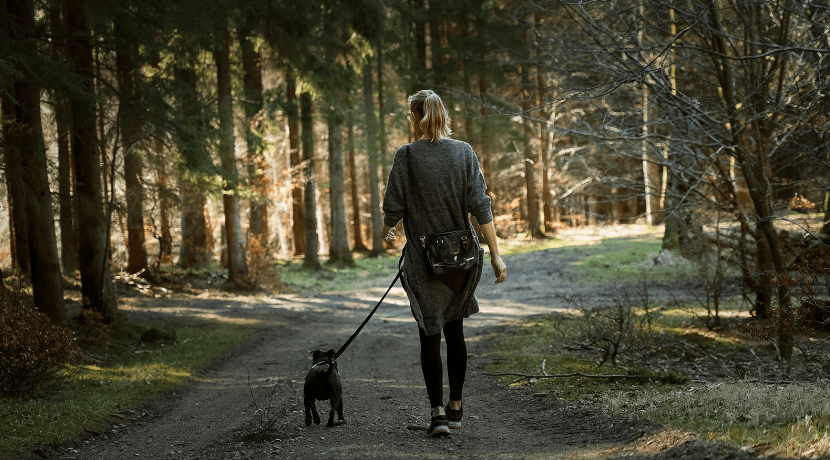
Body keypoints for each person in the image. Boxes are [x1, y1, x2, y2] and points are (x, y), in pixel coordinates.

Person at [381, 89, 507, 438]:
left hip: (424, 260)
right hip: (463, 258)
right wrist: (495, 253)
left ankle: (436, 414)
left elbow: (393, 208)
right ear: (443, 114)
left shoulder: (406, 157)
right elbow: (480, 206)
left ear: (414, 116)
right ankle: (456, 408)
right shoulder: (464, 152)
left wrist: (386, 233)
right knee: (456, 331)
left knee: (429, 333)